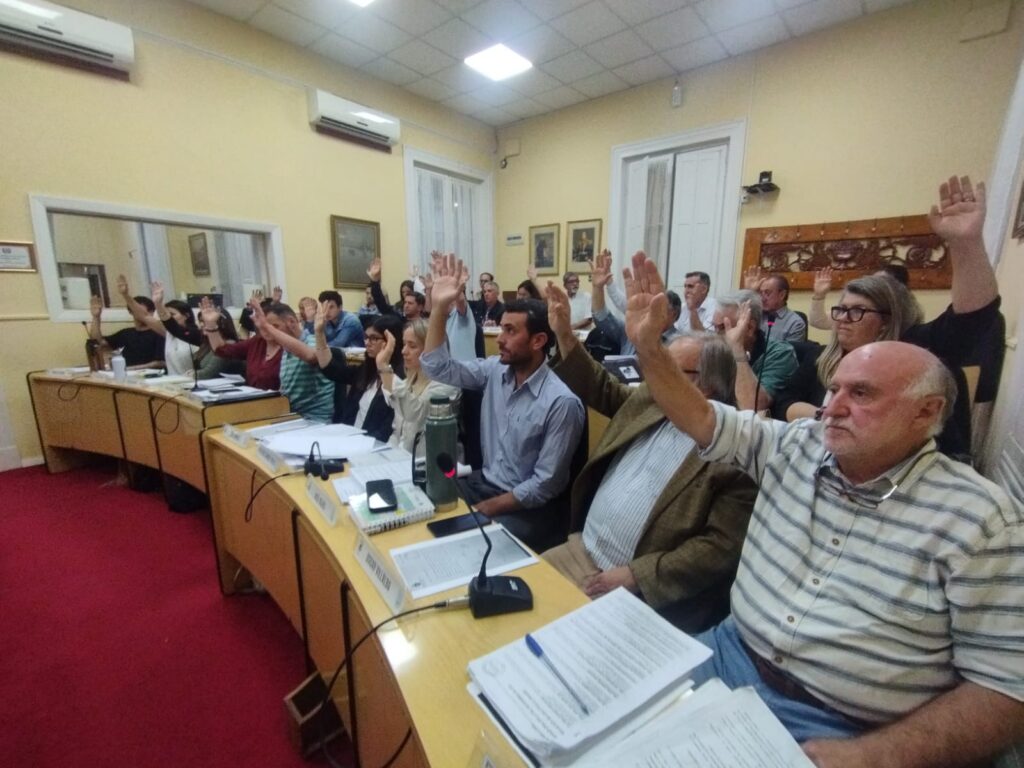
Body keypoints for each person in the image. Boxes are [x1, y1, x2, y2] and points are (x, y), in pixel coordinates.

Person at [623, 251, 1024, 764]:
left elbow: (1005, 686)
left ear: (927, 411)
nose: (832, 407)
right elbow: (702, 416)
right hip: (728, 654)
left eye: (861, 393)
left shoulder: (982, 522)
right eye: (833, 389)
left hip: (848, 724)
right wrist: (648, 348)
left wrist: (876, 756)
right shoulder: (796, 446)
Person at [544, 284, 756, 632]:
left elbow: (718, 549)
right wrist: (565, 335)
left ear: (708, 385)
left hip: (634, 587)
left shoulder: (734, 452)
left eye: (667, 370)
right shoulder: (653, 400)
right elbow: (602, 387)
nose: (653, 377)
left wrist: (637, 576)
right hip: (580, 548)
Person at [775, 175, 1001, 461]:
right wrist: (825, 414)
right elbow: (783, 401)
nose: (843, 319)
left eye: (856, 311)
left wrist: (965, 243)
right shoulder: (824, 357)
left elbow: (973, 320)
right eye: (841, 309)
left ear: (887, 319)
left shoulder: (916, 352)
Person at [421, 253, 585, 552]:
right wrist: (440, 309)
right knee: (425, 505)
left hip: (529, 508)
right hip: (485, 484)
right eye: (501, 328)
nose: (499, 339)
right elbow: (437, 368)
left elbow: (544, 485)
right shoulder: (495, 371)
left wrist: (488, 508)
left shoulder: (561, 402)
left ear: (538, 342)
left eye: (510, 331)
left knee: (472, 547)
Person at [226, 300, 334, 422]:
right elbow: (285, 391)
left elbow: (310, 356)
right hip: (288, 416)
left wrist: (266, 326)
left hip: (313, 420)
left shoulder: (313, 341)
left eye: (275, 326)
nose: (269, 332)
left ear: (292, 322)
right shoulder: (285, 348)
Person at [379, 319, 459, 452]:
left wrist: (383, 366)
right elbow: (397, 434)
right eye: (404, 344)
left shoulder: (446, 386)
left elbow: (414, 412)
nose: (404, 351)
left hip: (428, 466)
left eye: (412, 346)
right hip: (401, 460)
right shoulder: (409, 381)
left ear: (432, 350)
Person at [713, 291, 797, 411]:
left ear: (750, 328)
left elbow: (753, 406)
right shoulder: (715, 347)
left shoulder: (781, 353)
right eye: (713, 327)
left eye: (722, 328)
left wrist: (737, 349)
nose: (715, 336)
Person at [590, 249, 681, 355]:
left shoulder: (680, 343)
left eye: (657, 307)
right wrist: (597, 287)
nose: (650, 312)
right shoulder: (631, 331)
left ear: (673, 313)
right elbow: (601, 317)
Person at [116, 275, 197, 376]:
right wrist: (126, 295)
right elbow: (144, 316)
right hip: (172, 383)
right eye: (166, 314)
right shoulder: (169, 333)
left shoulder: (196, 334)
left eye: (172, 315)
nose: (168, 318)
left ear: (186, 316)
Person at [807, 266, 923, 332]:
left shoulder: (908, 316)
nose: (871, 286)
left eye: (880, 282)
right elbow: (817, 321)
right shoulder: (852, 306)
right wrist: (819, 295)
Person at [161, 295, 244, 379]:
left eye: (204, 321)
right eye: (200, 321)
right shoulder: (205, 341)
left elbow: (207, 373)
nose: (201, 325)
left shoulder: (229, 344)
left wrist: (184, 377)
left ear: (220, 323)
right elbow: (174, 328)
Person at [88, 288, 164, 369]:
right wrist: (96, 317)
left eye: (145, 312)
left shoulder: (160, 332)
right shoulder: (125, 333)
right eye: (138, 311)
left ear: (152, 312)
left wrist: (128, 369)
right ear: (131, 312)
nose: (142, 315)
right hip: (126, 377)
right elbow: (97, 342)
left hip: (153, 377)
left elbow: (161, 363)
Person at [743, 267, 808, 342]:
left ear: (782, 295)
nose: (762, 298)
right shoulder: (755, 314)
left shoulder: (795, 323)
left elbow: (788, 352)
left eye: (767, 293)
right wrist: (750, 292)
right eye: (760, 293)